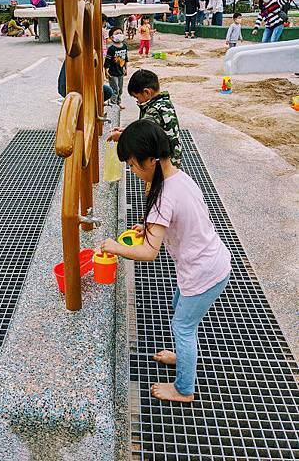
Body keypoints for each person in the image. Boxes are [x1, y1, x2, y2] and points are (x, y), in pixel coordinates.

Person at [101, 120, 231, 403]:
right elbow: (169, 223)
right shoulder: (180, 178)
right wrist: (145, 227)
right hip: (210, 263)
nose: (132, 172)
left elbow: (149, 253)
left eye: (134, 165)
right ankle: (182, 356)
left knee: (183, 327)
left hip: (203, 272)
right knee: (179, 310)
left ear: (152, 160)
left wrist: (114, 247)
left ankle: (184, 389)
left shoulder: (162, 196)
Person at [107, 69, 182, 168]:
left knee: (158, 183)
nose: (137, 101)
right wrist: (127, 131)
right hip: (171, 159)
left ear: (147, 92)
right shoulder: (163, 102)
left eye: (137, 97)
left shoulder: (153, 111)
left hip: (162, 165)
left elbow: (142, 139)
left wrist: (121, 137)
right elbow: (145, 129)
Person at [104, 27, 128, 109]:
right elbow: (107, 60)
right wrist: (106, 71)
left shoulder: (124, 46)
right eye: (117, 33)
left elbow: (126, 58)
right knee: (115, 90)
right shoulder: (111, 48)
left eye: (120, 33)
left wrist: (126, 69)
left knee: (120, 90)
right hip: (113, 72)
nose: (119, 35)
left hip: (121, 71)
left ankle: (118, 103)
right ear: (111, 37)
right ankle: (113, 105)